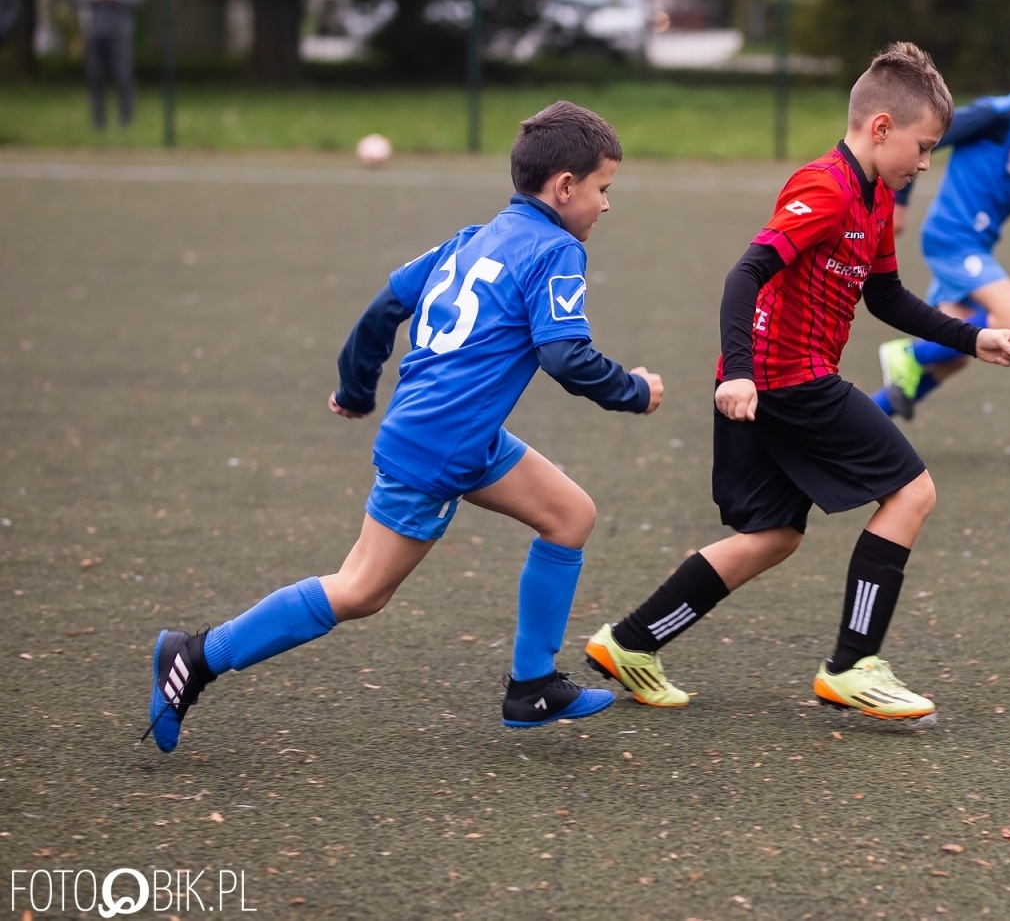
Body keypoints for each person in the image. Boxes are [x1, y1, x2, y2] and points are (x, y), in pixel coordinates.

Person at [144, 102, 665, 752]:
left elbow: (384, 308)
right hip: (442, 444)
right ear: (564, 186)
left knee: (570, 515)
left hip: (458, 432)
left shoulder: (473, 238)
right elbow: (565, 355)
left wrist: (355, 388)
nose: (606, 204)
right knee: (361, 590)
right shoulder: (557, 250)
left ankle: (532, 686)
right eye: (603, 189)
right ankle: (195, 656)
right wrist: (633, 390)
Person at [584, 43, 1010, 721]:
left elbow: (886, 296)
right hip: (784, 381)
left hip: (777, 383)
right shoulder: (825, 188)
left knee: (773, 534)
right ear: (881, 127)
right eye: (922, 147)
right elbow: (745, 275)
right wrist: (739, 375)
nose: (924, 163)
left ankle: (631, 642)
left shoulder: (877, 197)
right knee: (912, 492)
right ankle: (853, 665)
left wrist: (973, 337)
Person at [869, 29, 1010, 421]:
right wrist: (898, 202)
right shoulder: (997, 115)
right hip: (951, 236)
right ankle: (907, 354)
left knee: (953, 357)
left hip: (978, 245)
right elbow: (918, 138)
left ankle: (864, 424)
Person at [70, 0, 145, 130]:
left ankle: (125, 121)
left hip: (121, 32)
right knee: (95, 77)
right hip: (94, 31)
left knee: (123, 76)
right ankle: (98, 122)